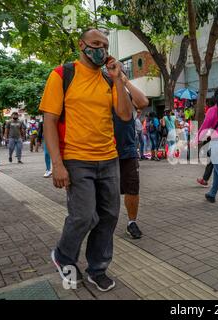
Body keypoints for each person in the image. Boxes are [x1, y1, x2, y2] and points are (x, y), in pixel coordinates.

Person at [40, 28, 133, 292]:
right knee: (82, 216)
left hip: (109, 158)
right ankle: (64, 256)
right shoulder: (62, 74)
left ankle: (97, 268)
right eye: (95, 43)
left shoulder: (107, 80)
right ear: (82, 45)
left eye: (104, 45)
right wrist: (57, 164)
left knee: (109, 216)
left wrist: (118, 80)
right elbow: (49, 120)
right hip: (76, 159)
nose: (101, 49)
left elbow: (125, 115)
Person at [114, 68, 149, 239]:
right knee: (106, 191)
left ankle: (131, 222)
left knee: (132, 188)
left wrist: (124, 80)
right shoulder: (100, 92)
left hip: (127, 150)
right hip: (103, 151)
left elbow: (143, 102)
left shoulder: (128, 94)